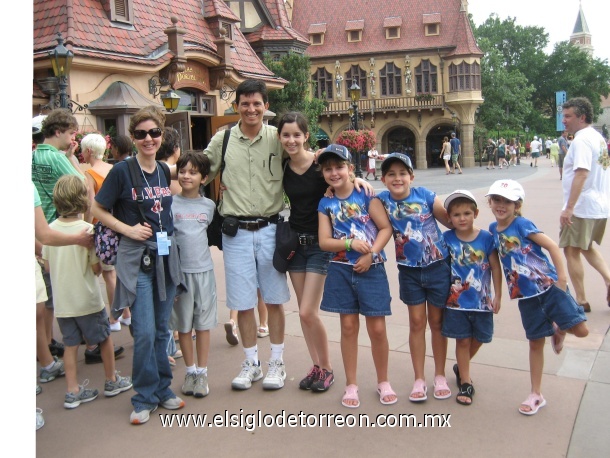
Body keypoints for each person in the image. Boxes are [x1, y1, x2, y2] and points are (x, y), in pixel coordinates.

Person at [92, 105, 186, 425]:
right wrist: (127, 229)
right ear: (133, 138)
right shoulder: (122, 171)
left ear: (161, 135)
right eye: (141, 134)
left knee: (162, 329)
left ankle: (162, 389)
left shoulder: (161, 169)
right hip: (139, 259)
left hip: (165, 256)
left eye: (154, 133)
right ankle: (143, 396)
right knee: (144, 331)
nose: (148, 139)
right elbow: (98, 209)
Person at [203, 79, 290, 391]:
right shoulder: (223, 139)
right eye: (245, 103)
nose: (251, 109)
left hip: (270, 229)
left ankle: (276, 363)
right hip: (235, 233)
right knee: (242, 303)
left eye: (257, 103)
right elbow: (199, 171)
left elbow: (307, 163)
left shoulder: (278, 138)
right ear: (236, 105)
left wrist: (350, 178)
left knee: (275, 299)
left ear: (266, 106)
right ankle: (252, 363)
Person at [486, 179, 588, 415]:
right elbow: (497, 265)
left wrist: (562, 279)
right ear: (490, 202)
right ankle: (536, 394)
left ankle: (560, 328)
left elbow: (552, 246)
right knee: (535, 342)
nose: (501, 205)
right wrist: (498, 294)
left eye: (507, 202)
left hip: (550, 287)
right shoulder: (493, 230)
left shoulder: (521, 225)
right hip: (526, 297)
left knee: (581, 331)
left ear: (517, 205)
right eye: (497, 200)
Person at [42, 175, 133, 409]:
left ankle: (72, 391)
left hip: (64, 303)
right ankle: (111, 379)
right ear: (82, 199)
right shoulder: (87, 230)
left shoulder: (49, 232)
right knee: (104, 339)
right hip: (88, 301)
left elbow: (49, 266)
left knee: (71, 346)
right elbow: (96, 268)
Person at [317, 144, 396, 408]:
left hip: (371, 269)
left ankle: (383, 381)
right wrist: (350, 245)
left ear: (351, 169)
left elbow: (385, 229)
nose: (334, 173)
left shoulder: (366, 196)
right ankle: (351, 384)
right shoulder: (325, 202)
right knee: (348, 328)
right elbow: (325, 242)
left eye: (339, 167)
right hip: (340, 270)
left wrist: (371, 253)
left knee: (377, 328)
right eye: (328, 169)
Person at [377, 153, 452, 403]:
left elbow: (451, 221)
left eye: (402, 173)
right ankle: (419, 378)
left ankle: (439, 375)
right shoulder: (381, 200)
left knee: (438, 323)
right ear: (383, 179)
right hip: (409, 270)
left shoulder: (427, 196)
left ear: (411, 176)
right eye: (391, 174)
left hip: (438, 267)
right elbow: (355, 191)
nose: (397, 178)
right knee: (417, 323)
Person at [441, 190, 502, 406]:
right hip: (456, 303)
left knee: (481, 338)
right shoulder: (446, 239)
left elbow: (495, 267)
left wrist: (498, 296)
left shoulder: (486, 238)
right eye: (456, 215)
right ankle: (465, 381)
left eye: (466, 213)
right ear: (449, 218)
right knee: (462, 340)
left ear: (475, 213)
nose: (462, 218)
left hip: (482, 302)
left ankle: (461, 365)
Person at [170, 151, 217, 398]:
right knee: (184, 326)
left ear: (204, 178)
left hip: (204, 272)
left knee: (204, 324)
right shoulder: (170, 204)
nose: (186, 176)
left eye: (193, 172)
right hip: (180, 276)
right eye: (183, 170)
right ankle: (189, 372)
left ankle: (202, 372)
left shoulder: (209, 207)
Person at [559, 97, 610, 313]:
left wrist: (569, 208)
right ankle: (609, 280)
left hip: (582, 206)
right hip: (599, 204)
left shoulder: (581, 141)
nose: (564, 121)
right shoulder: (598, 138)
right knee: (586, 246)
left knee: (571, 250)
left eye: (568, 116)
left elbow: (581, 173)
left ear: (582, 117)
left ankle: (580, 299)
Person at [82, 133, 130, 332]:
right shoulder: (114, 168)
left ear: (89, 151)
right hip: (119, 224)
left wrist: (87, 226)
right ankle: (126, 313)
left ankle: (115, 316)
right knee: (122, 273)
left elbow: (90, 205)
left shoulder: (91, 174)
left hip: (103, 228)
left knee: (109, 274)